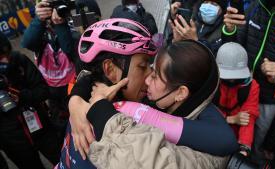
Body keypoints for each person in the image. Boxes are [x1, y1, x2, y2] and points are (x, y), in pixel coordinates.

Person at [57, 19, 238, 168]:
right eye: (143, 67)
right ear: (110, 69)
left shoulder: (88, 100)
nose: (148, 78)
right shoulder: (91, 109)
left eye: (153, 71)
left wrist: (76, 97)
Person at [222, 0, 275, 165]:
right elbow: (234, 46)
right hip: (242, 87)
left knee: (257, 146)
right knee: (236, 134)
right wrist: (229, 30)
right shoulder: (255, 6)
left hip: (269, 98)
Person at [0, 31, 61, 169]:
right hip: (14, 143)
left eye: (7, 54)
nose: (5, 60)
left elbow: (43, 90)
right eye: (0, 57)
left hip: (42, 128)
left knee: (64, 162)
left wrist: (22, 96)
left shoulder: (19, 60)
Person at [21, 0, 77, 135]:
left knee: (77, 118)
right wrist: (38, 19)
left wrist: (60, 24)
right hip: (51, 89)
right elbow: (27, 43)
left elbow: (69, 49)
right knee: (60, 124)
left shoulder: (70, 27)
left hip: (72, 85)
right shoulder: (39, 33)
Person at [213, 42, 260, 157]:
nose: (232, 80)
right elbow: (204, 109)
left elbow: (248, 118)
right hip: (212, 129)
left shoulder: (252, 86)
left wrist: (244, 147)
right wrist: (229, 119)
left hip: (234, 137)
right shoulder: (212, 81)